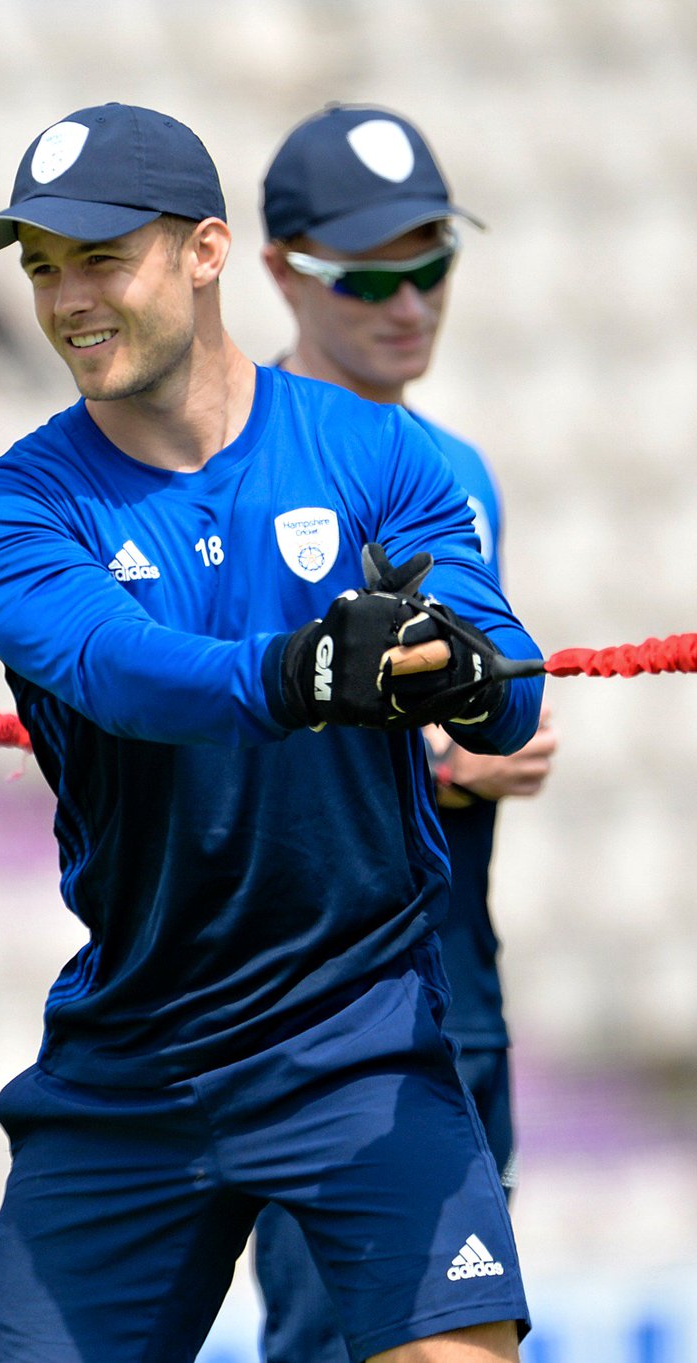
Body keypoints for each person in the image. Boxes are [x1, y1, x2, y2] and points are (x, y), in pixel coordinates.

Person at [0, 104, 543, 1362]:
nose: (65, 301)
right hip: (133, 1063)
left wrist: (464, 674)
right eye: (41, 269)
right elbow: (121, 672)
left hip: (358, 1033)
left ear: (206, 253)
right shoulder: (8, 504)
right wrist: (312, 670)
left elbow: (508, 676)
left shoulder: (377, 450)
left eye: (99, 258)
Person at [249, 104, 559, 1363]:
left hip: (451, 989)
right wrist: (427, 760)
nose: (409, 300)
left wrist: (489, 746)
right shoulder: (219, 463)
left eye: (429, 261)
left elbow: (488, 698)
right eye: (368, 272)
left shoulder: (456, 469)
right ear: (277, 271)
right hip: (304, 1015)